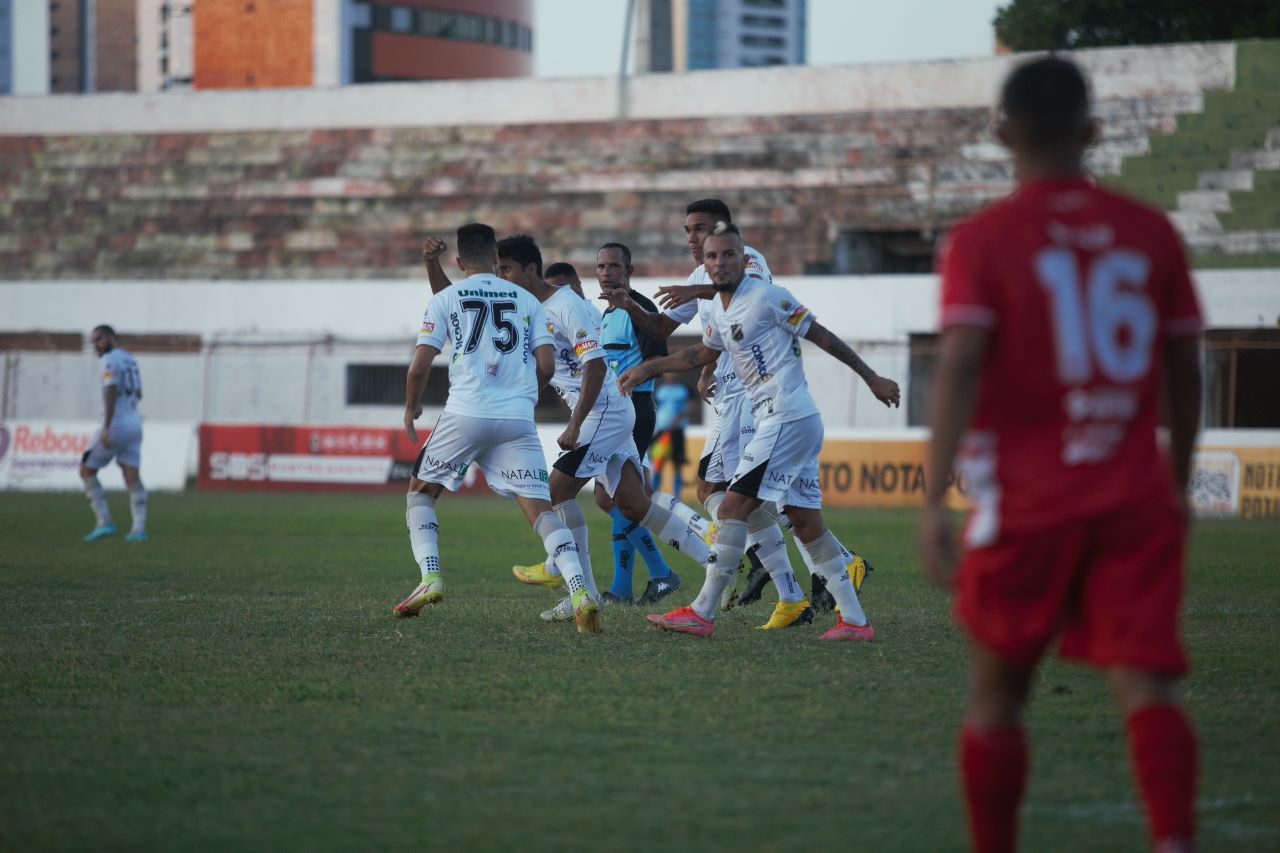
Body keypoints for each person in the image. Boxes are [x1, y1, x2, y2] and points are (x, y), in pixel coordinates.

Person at [919, 56, 1203, 853]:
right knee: (1149, 683)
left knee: (999, 695)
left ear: (1002, 133)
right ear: (1093, 131)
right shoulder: (1151, 232)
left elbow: (963, 365)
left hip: (1027, 501)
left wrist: (933, 498)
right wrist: (1175, 483)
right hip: (1132, 494)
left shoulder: (984, 239)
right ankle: (1174, 840)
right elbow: (1187, 365)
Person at [619, 223, 901, 639]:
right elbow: (701, 353)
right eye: (712, 257)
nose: (719, 263)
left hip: (786, 416)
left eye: (727, 255)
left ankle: (702, 612)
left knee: (731, 508)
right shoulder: (718, 309)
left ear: (743, 258)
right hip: (788, 420)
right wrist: (649, 368)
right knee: (804, 520)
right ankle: (855, 621)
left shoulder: (769, 298)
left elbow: (821, 335)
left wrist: (871, 376)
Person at [394, 223, 601, 635]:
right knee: (541, 513)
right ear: (494, 257)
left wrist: (411, 405)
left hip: (465, 414)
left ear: (459, 261)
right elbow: (545, 366)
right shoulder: (527, 300)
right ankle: (580, 591)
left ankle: (431, 576)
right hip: (516, 420)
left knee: (421, 492)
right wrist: (522, 394)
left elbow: (420, 365)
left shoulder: (446, 298)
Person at [494, 236, 713, 622]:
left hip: (605, 411)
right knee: (631, 503)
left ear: (530, 270)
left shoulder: (565, 305)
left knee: (553, 493)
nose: (501, 277)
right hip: (612, 409)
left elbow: (595, 367)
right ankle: (715, 562)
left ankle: (581, 591)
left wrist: (575, 424)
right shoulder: (533, 308)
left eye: (507, 269)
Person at [80, 325, 148, 542]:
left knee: (86, 470)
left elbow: (110, 389)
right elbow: (139, 392)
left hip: (116, 424)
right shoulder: (130, 359)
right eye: (93, 341)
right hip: (135, 423)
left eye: (99, 339)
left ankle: (105, 522)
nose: (96, 345)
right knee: (132, 477)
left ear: (111, 337)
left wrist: (107, 426)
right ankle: (138, 530)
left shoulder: (109, 360)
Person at [650, 373, 693, 495]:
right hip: (661, 433)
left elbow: (693, 406)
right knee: (658, 463)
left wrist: (680, 416)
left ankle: (676, 496)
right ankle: (654, 495)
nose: (671, 374)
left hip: (677, 432)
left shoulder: (684, 389)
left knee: (677, 464)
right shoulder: (659, 390)